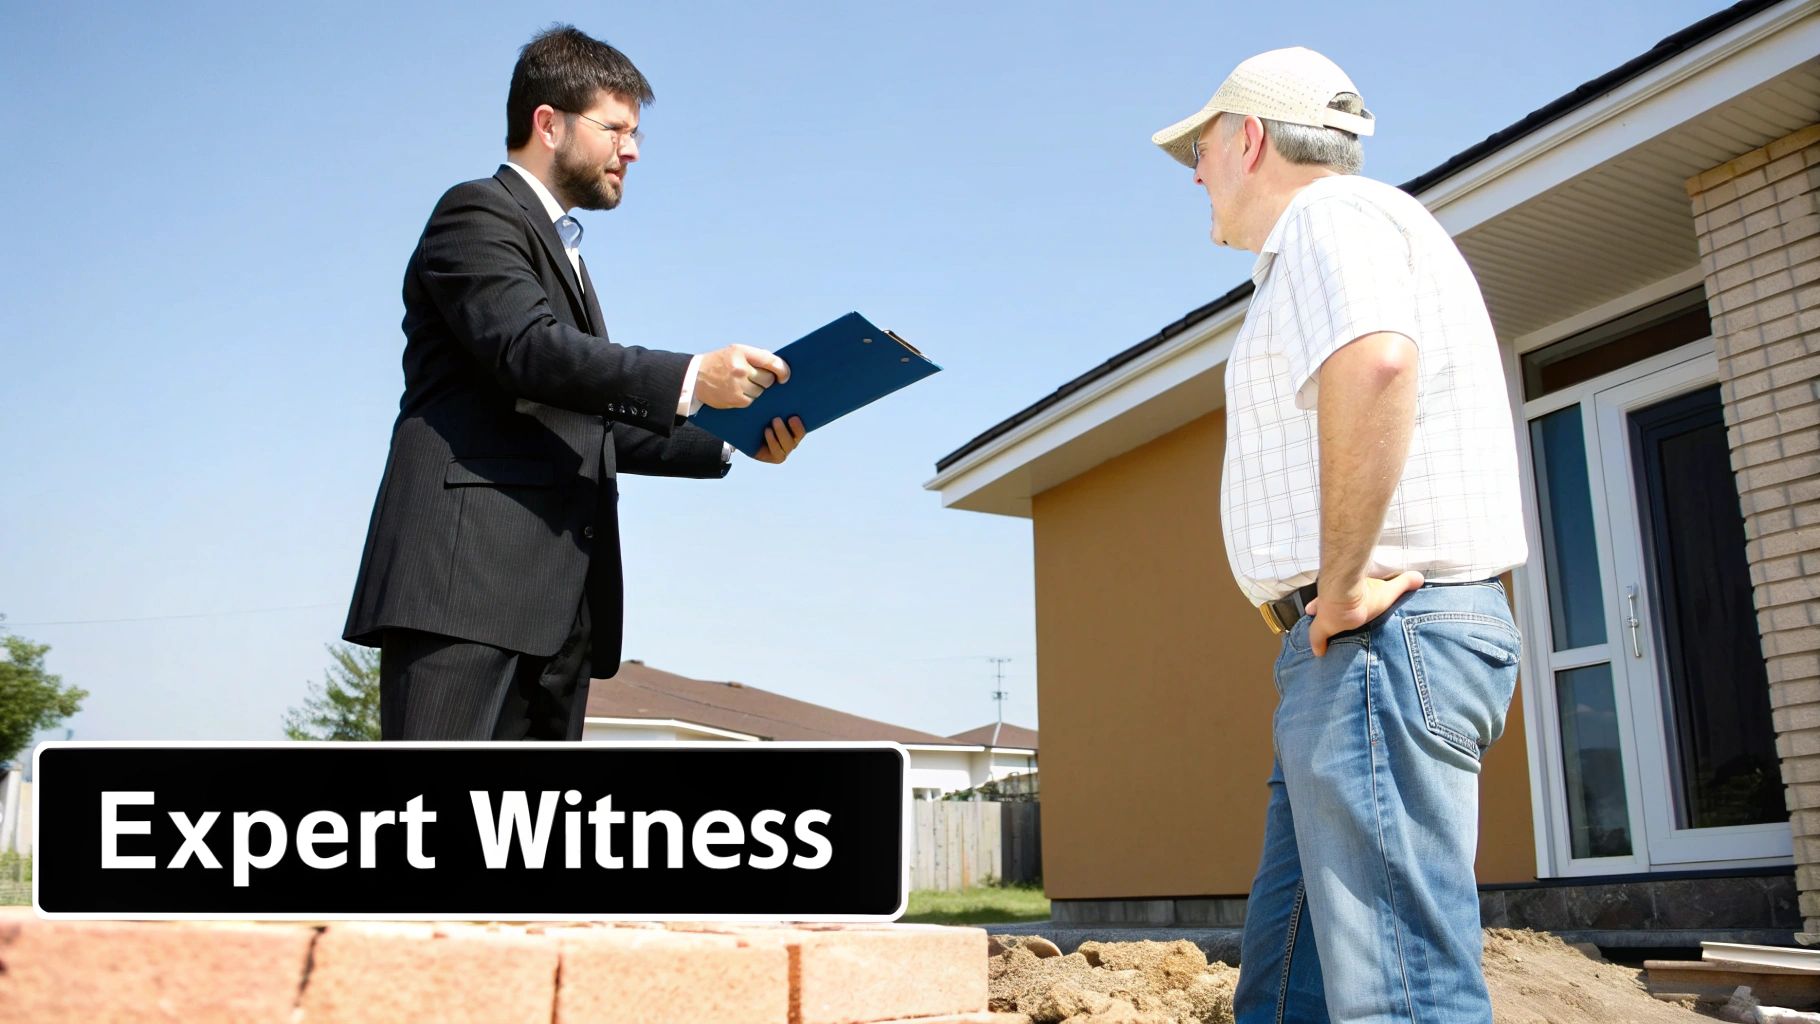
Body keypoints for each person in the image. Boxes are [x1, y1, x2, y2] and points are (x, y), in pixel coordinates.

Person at [1151, 47, 1529, 1023]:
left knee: (1398, 995)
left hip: (1375, 643)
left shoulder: (1329, 216)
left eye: (1199, 149)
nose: (1194, 174)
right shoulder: (1347, 230)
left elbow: (1373, 365)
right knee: (1286, 994)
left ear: (1247, 138)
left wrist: (1344, 577)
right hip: (1356, 655)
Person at [344, 26, 806, 742]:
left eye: (637, 132)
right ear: (549, 123)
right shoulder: (475, 213)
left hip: (560, 615)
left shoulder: (569, 256)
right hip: (463, 593)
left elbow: (584, 417)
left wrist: (733, 436)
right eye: (616, 127)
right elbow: (528, 353)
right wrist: (692, 375)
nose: (633, 149)